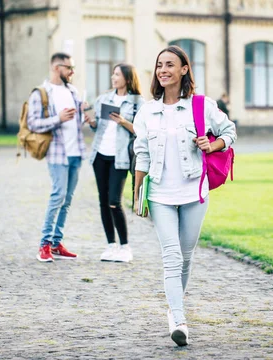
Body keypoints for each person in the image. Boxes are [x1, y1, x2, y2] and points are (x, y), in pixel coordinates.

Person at [132, 45, 236, 346]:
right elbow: (142, 153)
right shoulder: (147, 111)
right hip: (160, 193)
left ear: (183, 69)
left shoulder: (202, 106)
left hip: (194, 191)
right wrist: (138, 194)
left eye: (169, 65)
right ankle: (178, 318)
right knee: (172, 256)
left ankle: (174, 305)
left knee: (186, 257)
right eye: (159, 65)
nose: (163, 70)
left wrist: (212, 145)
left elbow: (229, 131)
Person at [29, 52, 92, 263]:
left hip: (76, 153)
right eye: (69, 68)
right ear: (57, 68)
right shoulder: (41, 93)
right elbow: (33, 124)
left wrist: (85, 115)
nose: (72, 72)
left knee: (67, 200)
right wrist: (58, 118)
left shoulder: (72, 90)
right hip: (57, 154)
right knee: (57, 196)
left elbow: (76, 123)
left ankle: (56, 243)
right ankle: (44, 245)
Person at [87, 63, 145, 263]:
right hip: (99, 155)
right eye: (113, 73)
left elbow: (142, 131)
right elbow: (99, 127)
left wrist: (123, 122)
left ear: (127, 78)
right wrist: (92, 123)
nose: (113, 77)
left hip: (119, 157)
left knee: (114, 201)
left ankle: (125, 246)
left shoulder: (139, 103)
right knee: (103, 201)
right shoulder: (104, 99)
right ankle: (110, 245)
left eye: (117, 74)